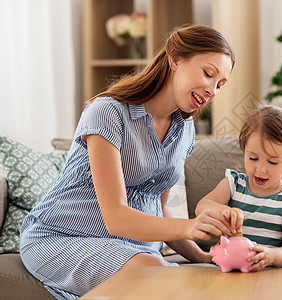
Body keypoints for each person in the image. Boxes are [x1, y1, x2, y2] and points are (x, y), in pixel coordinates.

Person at [19, 25, 235, 299]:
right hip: (61, 237)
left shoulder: (185, 131)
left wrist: (202, 257)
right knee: (153, 270)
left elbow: (160, 210)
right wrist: (192, 225)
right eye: (208, 73)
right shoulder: (107, 113)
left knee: (160, 270)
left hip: (134, 250)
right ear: (175, 58)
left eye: (220, 84)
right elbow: (116, 217)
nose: (213, 91)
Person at [195, 105, 282, 272]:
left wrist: (271, 255)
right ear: (244, 150)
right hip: (231, 274)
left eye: (272, 162)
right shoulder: (233, 184)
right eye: (253, 158)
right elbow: (201, 207)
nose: (260, 169)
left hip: (272, 276)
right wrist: (221, 210)